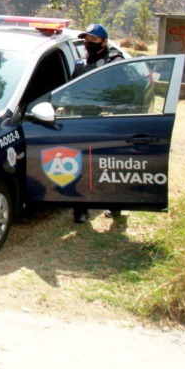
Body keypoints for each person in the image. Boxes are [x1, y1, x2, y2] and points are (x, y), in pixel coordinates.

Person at [71, 23, 124, 224]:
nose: (88, 43)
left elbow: (122, 94)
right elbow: (70, 91)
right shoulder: (80, 63)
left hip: (106, 122)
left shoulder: (115, 62)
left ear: (104, 41)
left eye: (93, 40)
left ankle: (115, 205)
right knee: (81, 167)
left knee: (107, 166)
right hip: (82, 122)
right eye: (86, 39)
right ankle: (80, 210)